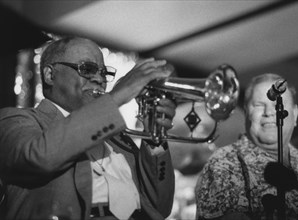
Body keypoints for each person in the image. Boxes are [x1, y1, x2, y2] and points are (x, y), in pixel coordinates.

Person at [0, 36, 177, 220]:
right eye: (88, 69)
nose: (100, 79)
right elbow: (39, 156)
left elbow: (159, 207)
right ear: (50, 75)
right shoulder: (15, 120)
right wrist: (118, 96)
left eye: (104, 73)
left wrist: (154, 137)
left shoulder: (118, 139)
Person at [195, 73, 298, 220]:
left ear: (295, 114)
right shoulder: (224, 163)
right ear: (247, 113)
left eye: (277, 106)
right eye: (259, 105)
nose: (269, 113)